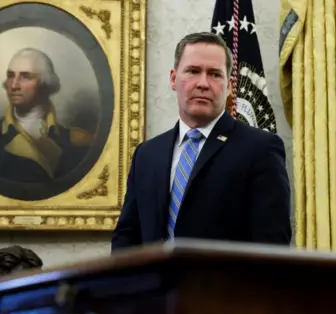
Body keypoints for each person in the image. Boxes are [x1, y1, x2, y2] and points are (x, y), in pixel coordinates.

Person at [111, 32, 291, 250]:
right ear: (173, 78)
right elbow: (127, 238)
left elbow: (271, 247)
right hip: (153, 284)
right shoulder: (147, 154)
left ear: (230, 86)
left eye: (215, 74)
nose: (203, 83)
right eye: (193, 71)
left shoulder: (260, 149)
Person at [0, 48, 93, 184]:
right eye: (10, 76)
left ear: (45, 84)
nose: (14, 85)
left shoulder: (78, 141)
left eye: (26, 77)